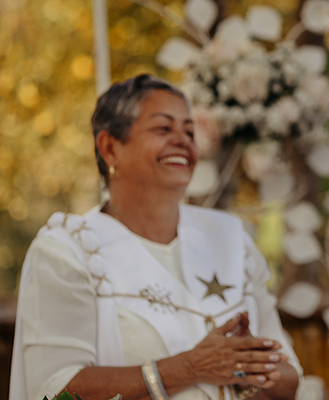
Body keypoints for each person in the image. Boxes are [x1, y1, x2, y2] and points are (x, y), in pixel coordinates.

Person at [10, 75, 301, 400]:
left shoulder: (230, 238)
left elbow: (290, 380)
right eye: (163, 129)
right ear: (110, 148)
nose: (183, 141)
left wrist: (248, 364)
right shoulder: (68, 251)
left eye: (190, 131)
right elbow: (53, 389)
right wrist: (188, 368)